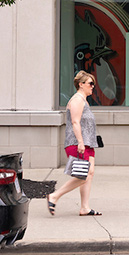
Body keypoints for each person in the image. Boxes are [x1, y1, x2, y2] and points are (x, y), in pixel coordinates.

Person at [47, 70, 101, 216]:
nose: (93, 86)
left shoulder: (83, 101)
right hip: (77, 143)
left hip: (88, 143)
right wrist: (80, 142)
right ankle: (54, 196)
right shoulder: (77, 100)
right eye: (90, 83)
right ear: (81, 84)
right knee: (82, 175)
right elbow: (75, 122)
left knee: (89, 174)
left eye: (93, 84)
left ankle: (85, 207)